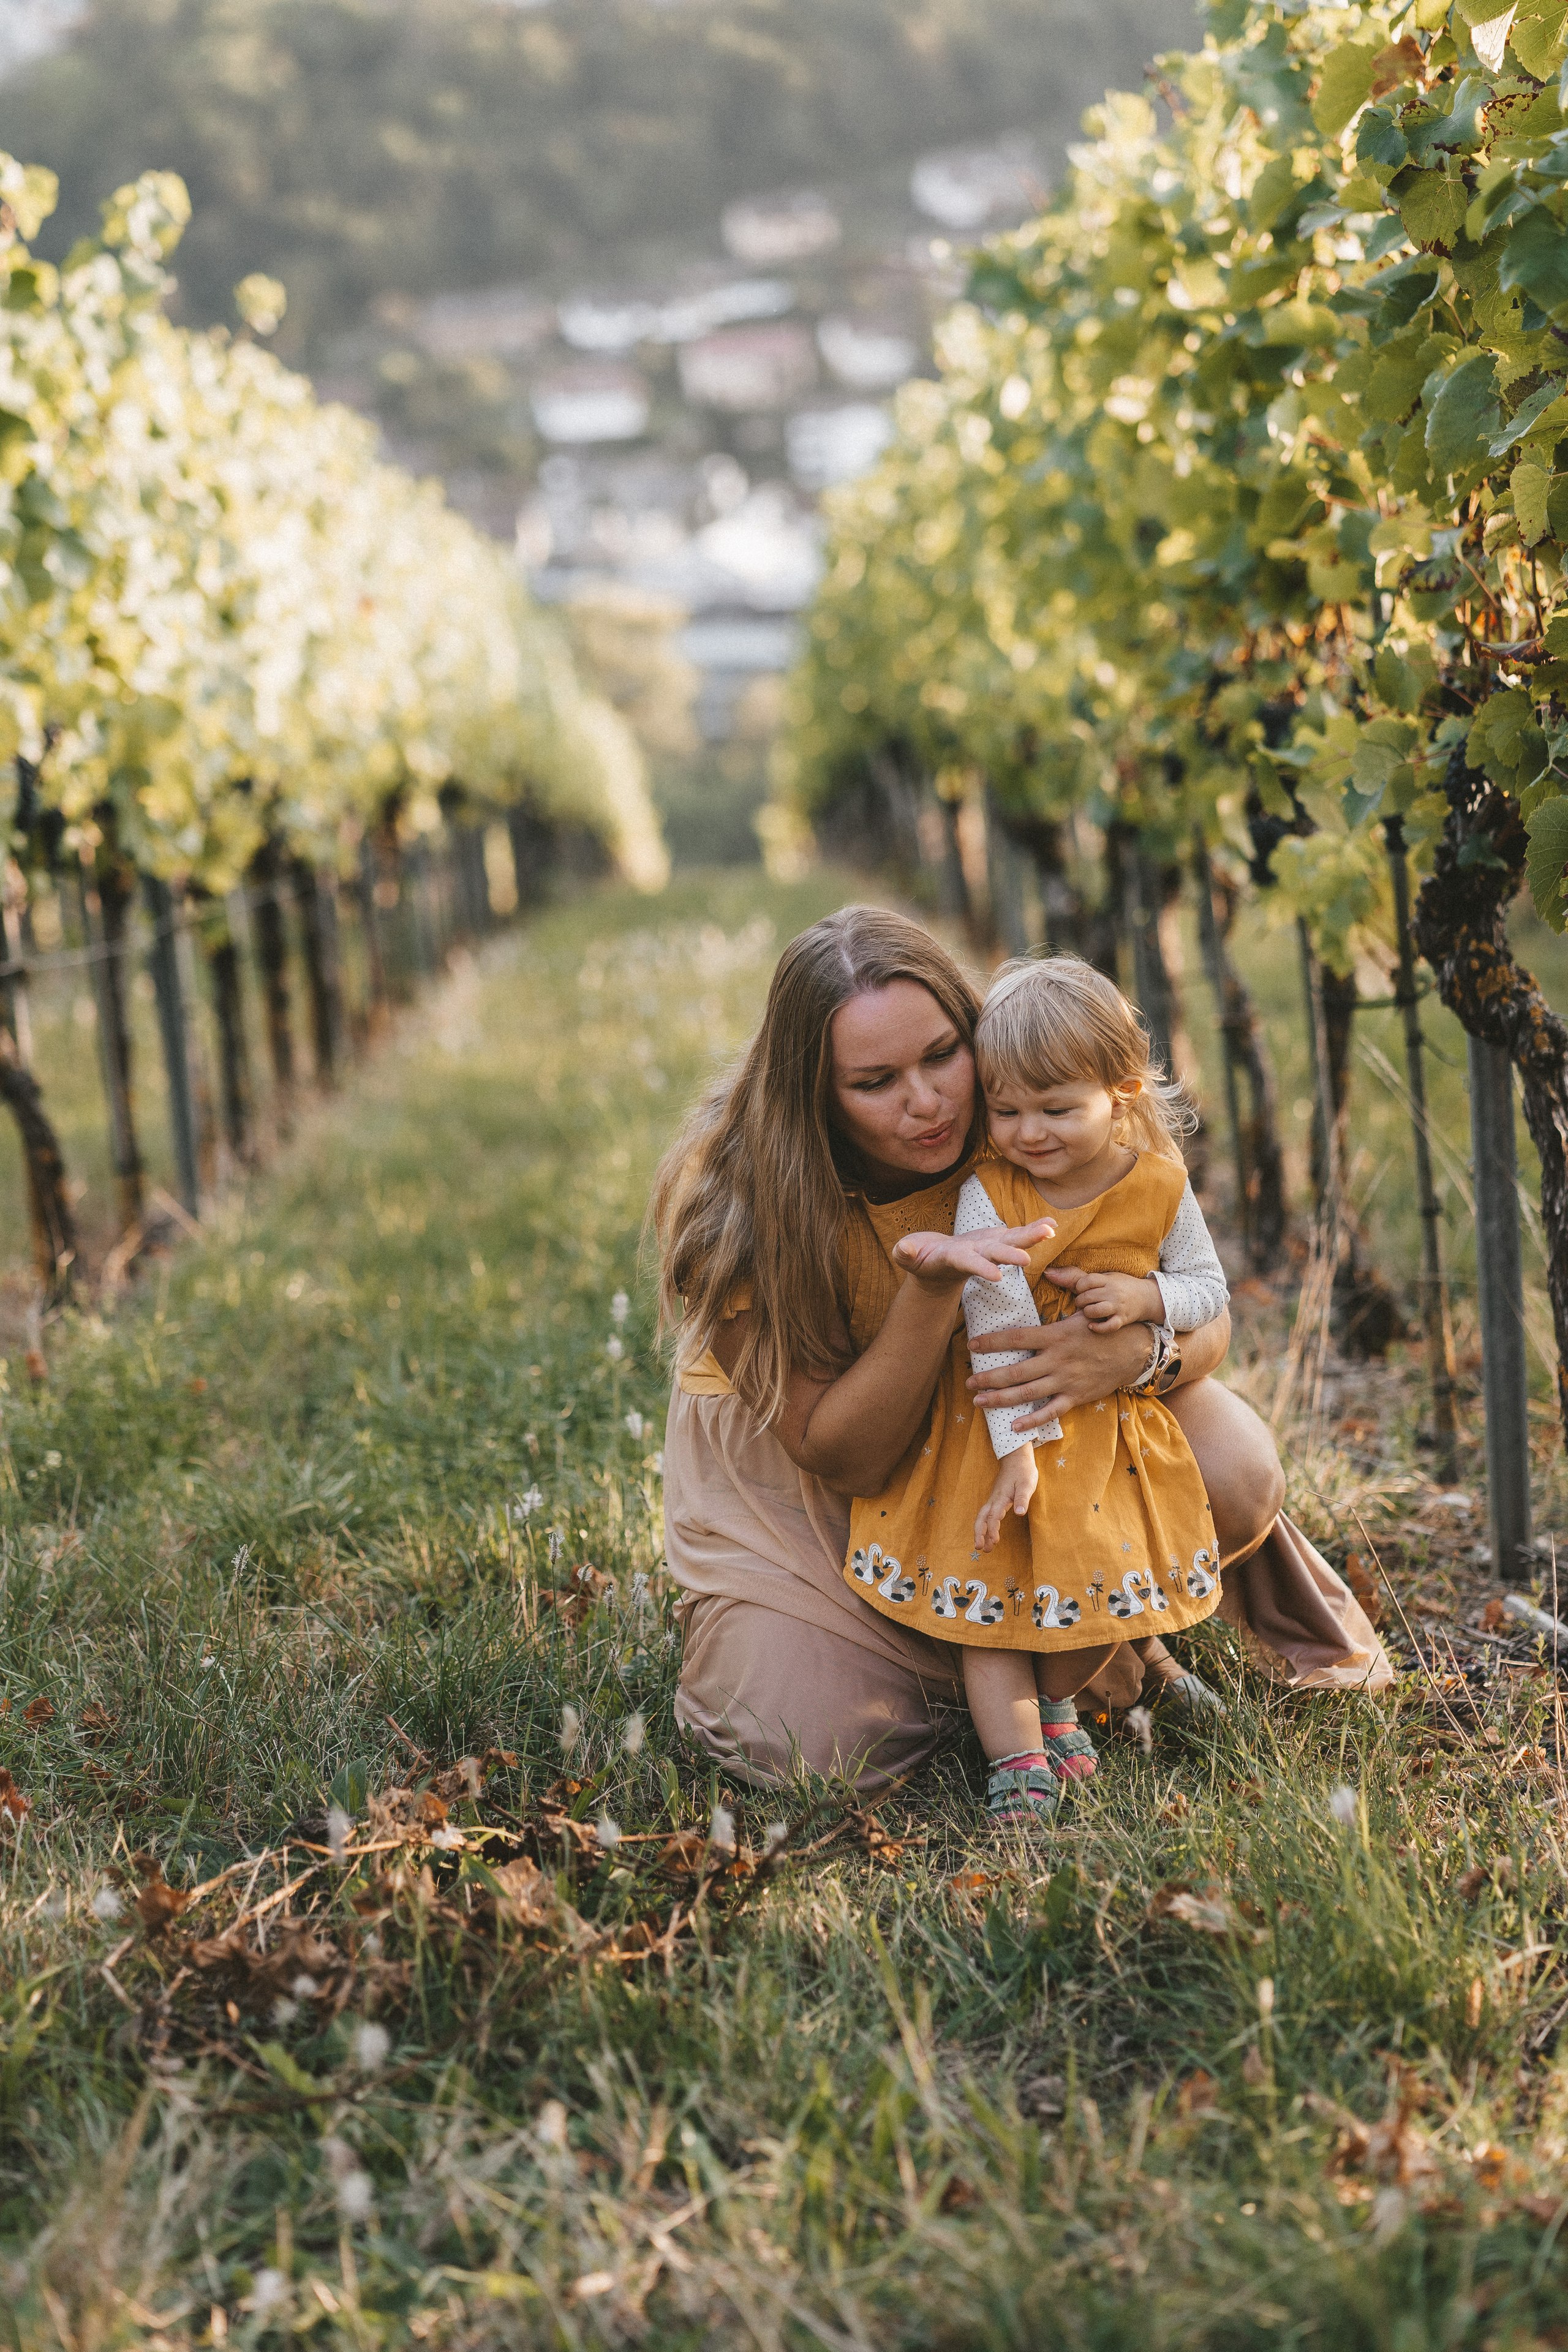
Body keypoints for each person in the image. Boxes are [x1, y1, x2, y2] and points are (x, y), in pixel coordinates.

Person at [651, 905, 1390, 1792]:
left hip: (1017, 1426)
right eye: (875, 1082)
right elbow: (842, 1455)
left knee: (1232, 1463)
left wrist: (1137, 1358)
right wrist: (936, 1292)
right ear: (815, 1094)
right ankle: (1063, 1655)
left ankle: (1068, 1642)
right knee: (815, 1753)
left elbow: (1208, 1320)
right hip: (809, 1489)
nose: (927, 1102)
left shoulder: (1041, 1112)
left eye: (941, 1056)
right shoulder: (747, 1206)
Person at [843, 954, 1233, 1823]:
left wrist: (1147, 1301)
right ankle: (1016, 1754)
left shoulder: (1160, 1185)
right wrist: (1016, 1453)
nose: (1028, 1132)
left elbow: (1209, 1289)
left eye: (1056, 1110)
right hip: (997, 1423)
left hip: (1107, 1429)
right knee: (988, 1599)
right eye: (1007, 1109)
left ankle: (1060, 1699)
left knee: (1092, 1578)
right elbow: (996, 1323)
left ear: (1122, 1094)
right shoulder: (990, 1190)